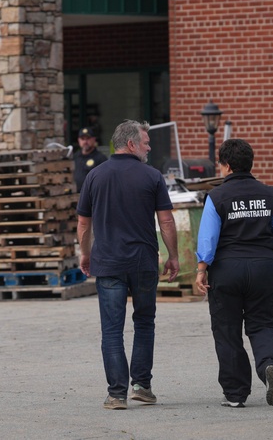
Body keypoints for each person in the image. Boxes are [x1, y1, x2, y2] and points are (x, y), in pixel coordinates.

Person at [76, 120, 179, 411]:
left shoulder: (95, 176)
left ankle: (117, 394)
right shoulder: (152, 176)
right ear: (131, 144)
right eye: (146, 143)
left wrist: (85, 254)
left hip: (108, 262)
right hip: (143, 262)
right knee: (144, 323)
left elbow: (84, 223)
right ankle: (142, 386)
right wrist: (173, 255)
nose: (149, 148)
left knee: (112, 330)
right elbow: (167, 220)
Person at [193, 138, 273, 408]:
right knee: (263, 324)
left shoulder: (216, 196)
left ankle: (236, 394)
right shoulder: (269, 194)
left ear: (225, 166)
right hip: (263, 266)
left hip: (227, 269)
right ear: (250, 164)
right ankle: (269, 365)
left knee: (227, 331)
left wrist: (201, 269)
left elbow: (208, 238)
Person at [72, 127, 108, 191]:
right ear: (78, 140)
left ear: (94, 139)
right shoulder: (75, 157)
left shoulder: (101, 159)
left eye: (88, 139)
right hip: (75, 195)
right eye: (82, 139)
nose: (85, 142)